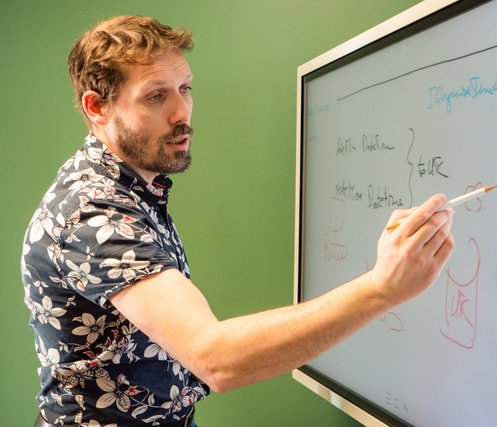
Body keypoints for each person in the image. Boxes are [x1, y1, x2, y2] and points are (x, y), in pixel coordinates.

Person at [21, 15, 454, 427]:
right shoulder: (92, 213)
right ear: (97, 107)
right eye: (156, 96)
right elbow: (216, 359)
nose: (181, 113)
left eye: (185, 88)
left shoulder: (130, 187)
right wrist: (381, 289)